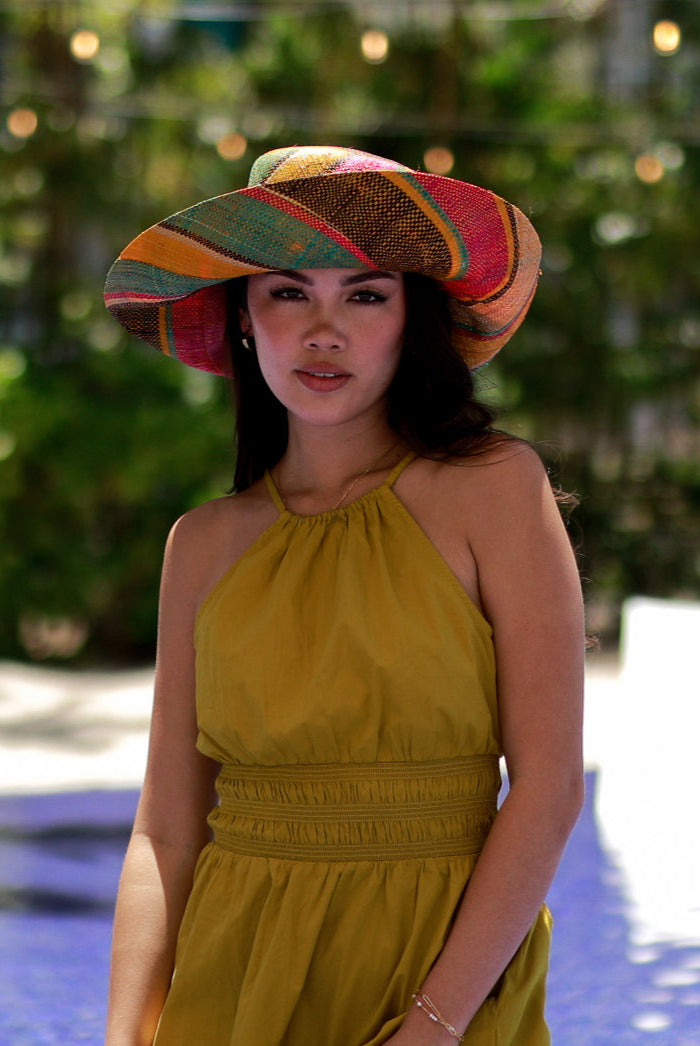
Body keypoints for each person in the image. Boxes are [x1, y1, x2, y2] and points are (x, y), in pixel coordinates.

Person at [103, 145, 584, 1046]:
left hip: (440, 988)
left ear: (413, 320)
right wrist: (124, 1039)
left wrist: (431, 1028)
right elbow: (164, 833)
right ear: (244, 317)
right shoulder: (201, 545)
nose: (324, 331)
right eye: (289, 293)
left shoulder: (493, 488)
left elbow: (550, 789)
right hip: (232, 983)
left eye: (365, 296)